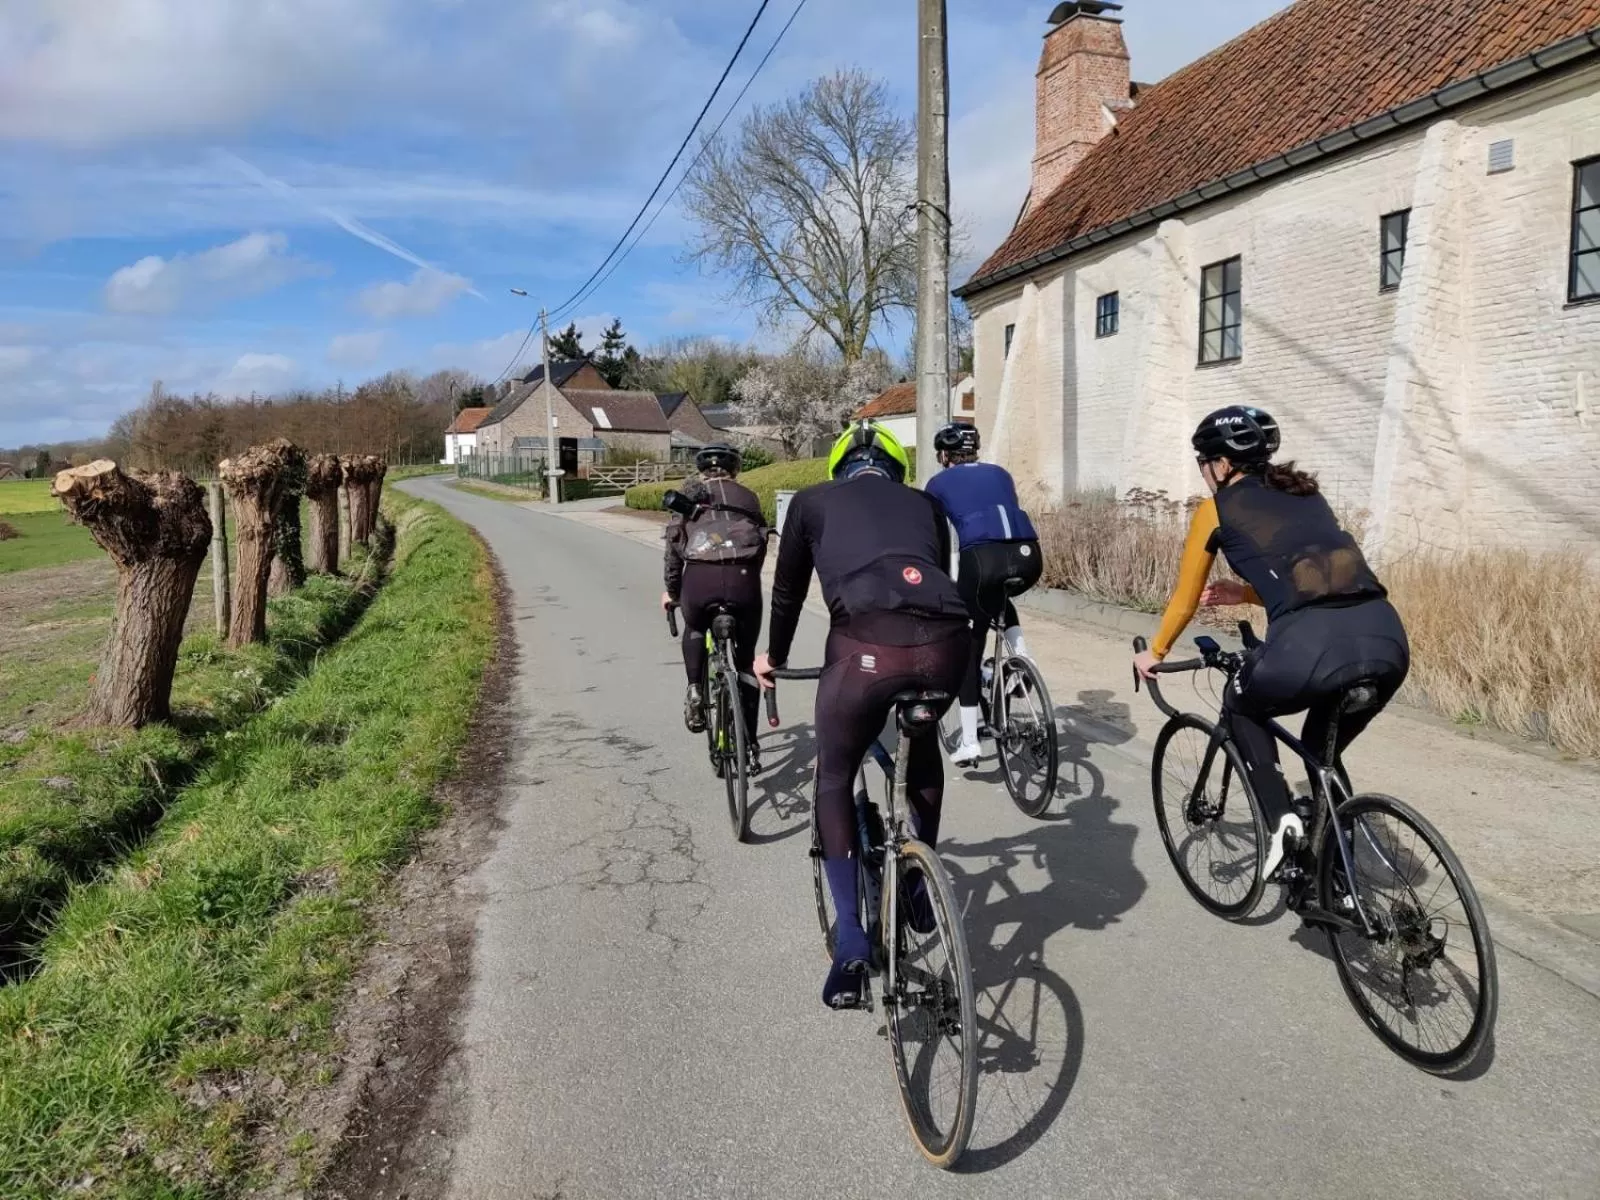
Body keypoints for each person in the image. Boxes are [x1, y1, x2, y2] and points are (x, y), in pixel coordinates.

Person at [1133, 406, 1410, 879]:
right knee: (1321, 751)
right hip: (1386, 639)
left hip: (1309, 649)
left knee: (1241, 705)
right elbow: (1322, 576)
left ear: (1221, 465)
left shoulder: (1215, 510)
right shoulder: (1307, 494)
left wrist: (1153, 653)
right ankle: (1336, 865)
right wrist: (1246, 593)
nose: (1204, 473)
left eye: (1204, 462)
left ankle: (1281, 824)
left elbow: (1184, 599)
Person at [754, 420, 971, 1010]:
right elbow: (938, 577)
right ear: (896, 469)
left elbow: (788, 593)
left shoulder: (810, 502)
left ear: (838, 468)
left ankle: (851, 936)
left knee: (834, 770)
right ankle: (922, 886)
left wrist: (770, 657)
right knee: (921, 747)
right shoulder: (926, 504)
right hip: (947, 646)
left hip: (864, 648)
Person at [922, 422, 1043, 766]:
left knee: (967, 650)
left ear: (945, 455)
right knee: (998, 597)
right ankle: (1022, 656)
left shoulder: (937, 483)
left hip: (982, 560)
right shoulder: (1001, 473)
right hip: (1029, 556)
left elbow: (938, 538)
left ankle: (971, 742)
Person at [662, 444, 768, 773]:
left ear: (701, 470)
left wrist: (672, 591)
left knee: (695, 627)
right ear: (735, 470)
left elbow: (674, 549)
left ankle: (695, 689)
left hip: (700, 582)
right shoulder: (748, 498)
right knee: (747, 663)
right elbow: (761, 543)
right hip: (743, 583)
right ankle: (749, 744)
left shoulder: (688, 495)